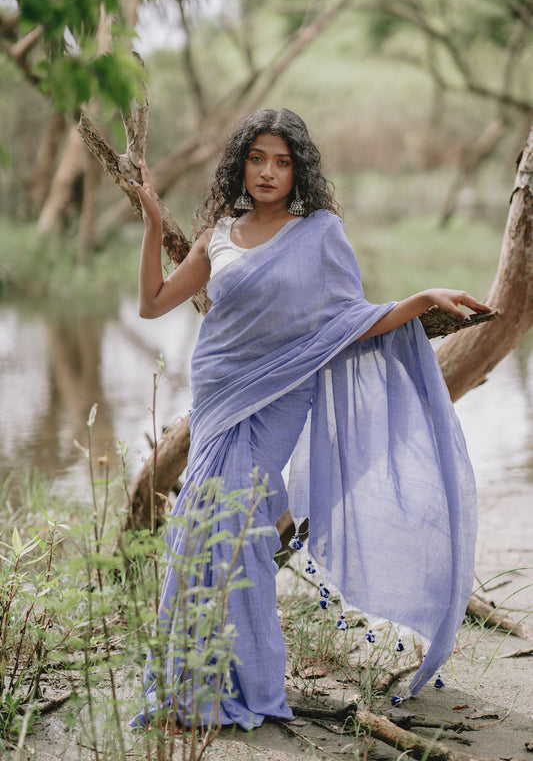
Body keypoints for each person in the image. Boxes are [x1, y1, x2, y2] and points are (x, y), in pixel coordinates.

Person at [129, 108, 491, 730]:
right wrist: (155, 222)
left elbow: (350, 319)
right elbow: (152, 302)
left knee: (238, 533)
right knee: (195, 531)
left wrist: (423, 300)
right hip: (218, 396)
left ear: (299, 170)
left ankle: (251, 686)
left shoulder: (320, 232)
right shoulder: (219, 233)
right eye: (257, 158)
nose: (268, 172)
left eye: (283, 161)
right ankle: (190, 686)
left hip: (278, 401)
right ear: (241, 163)